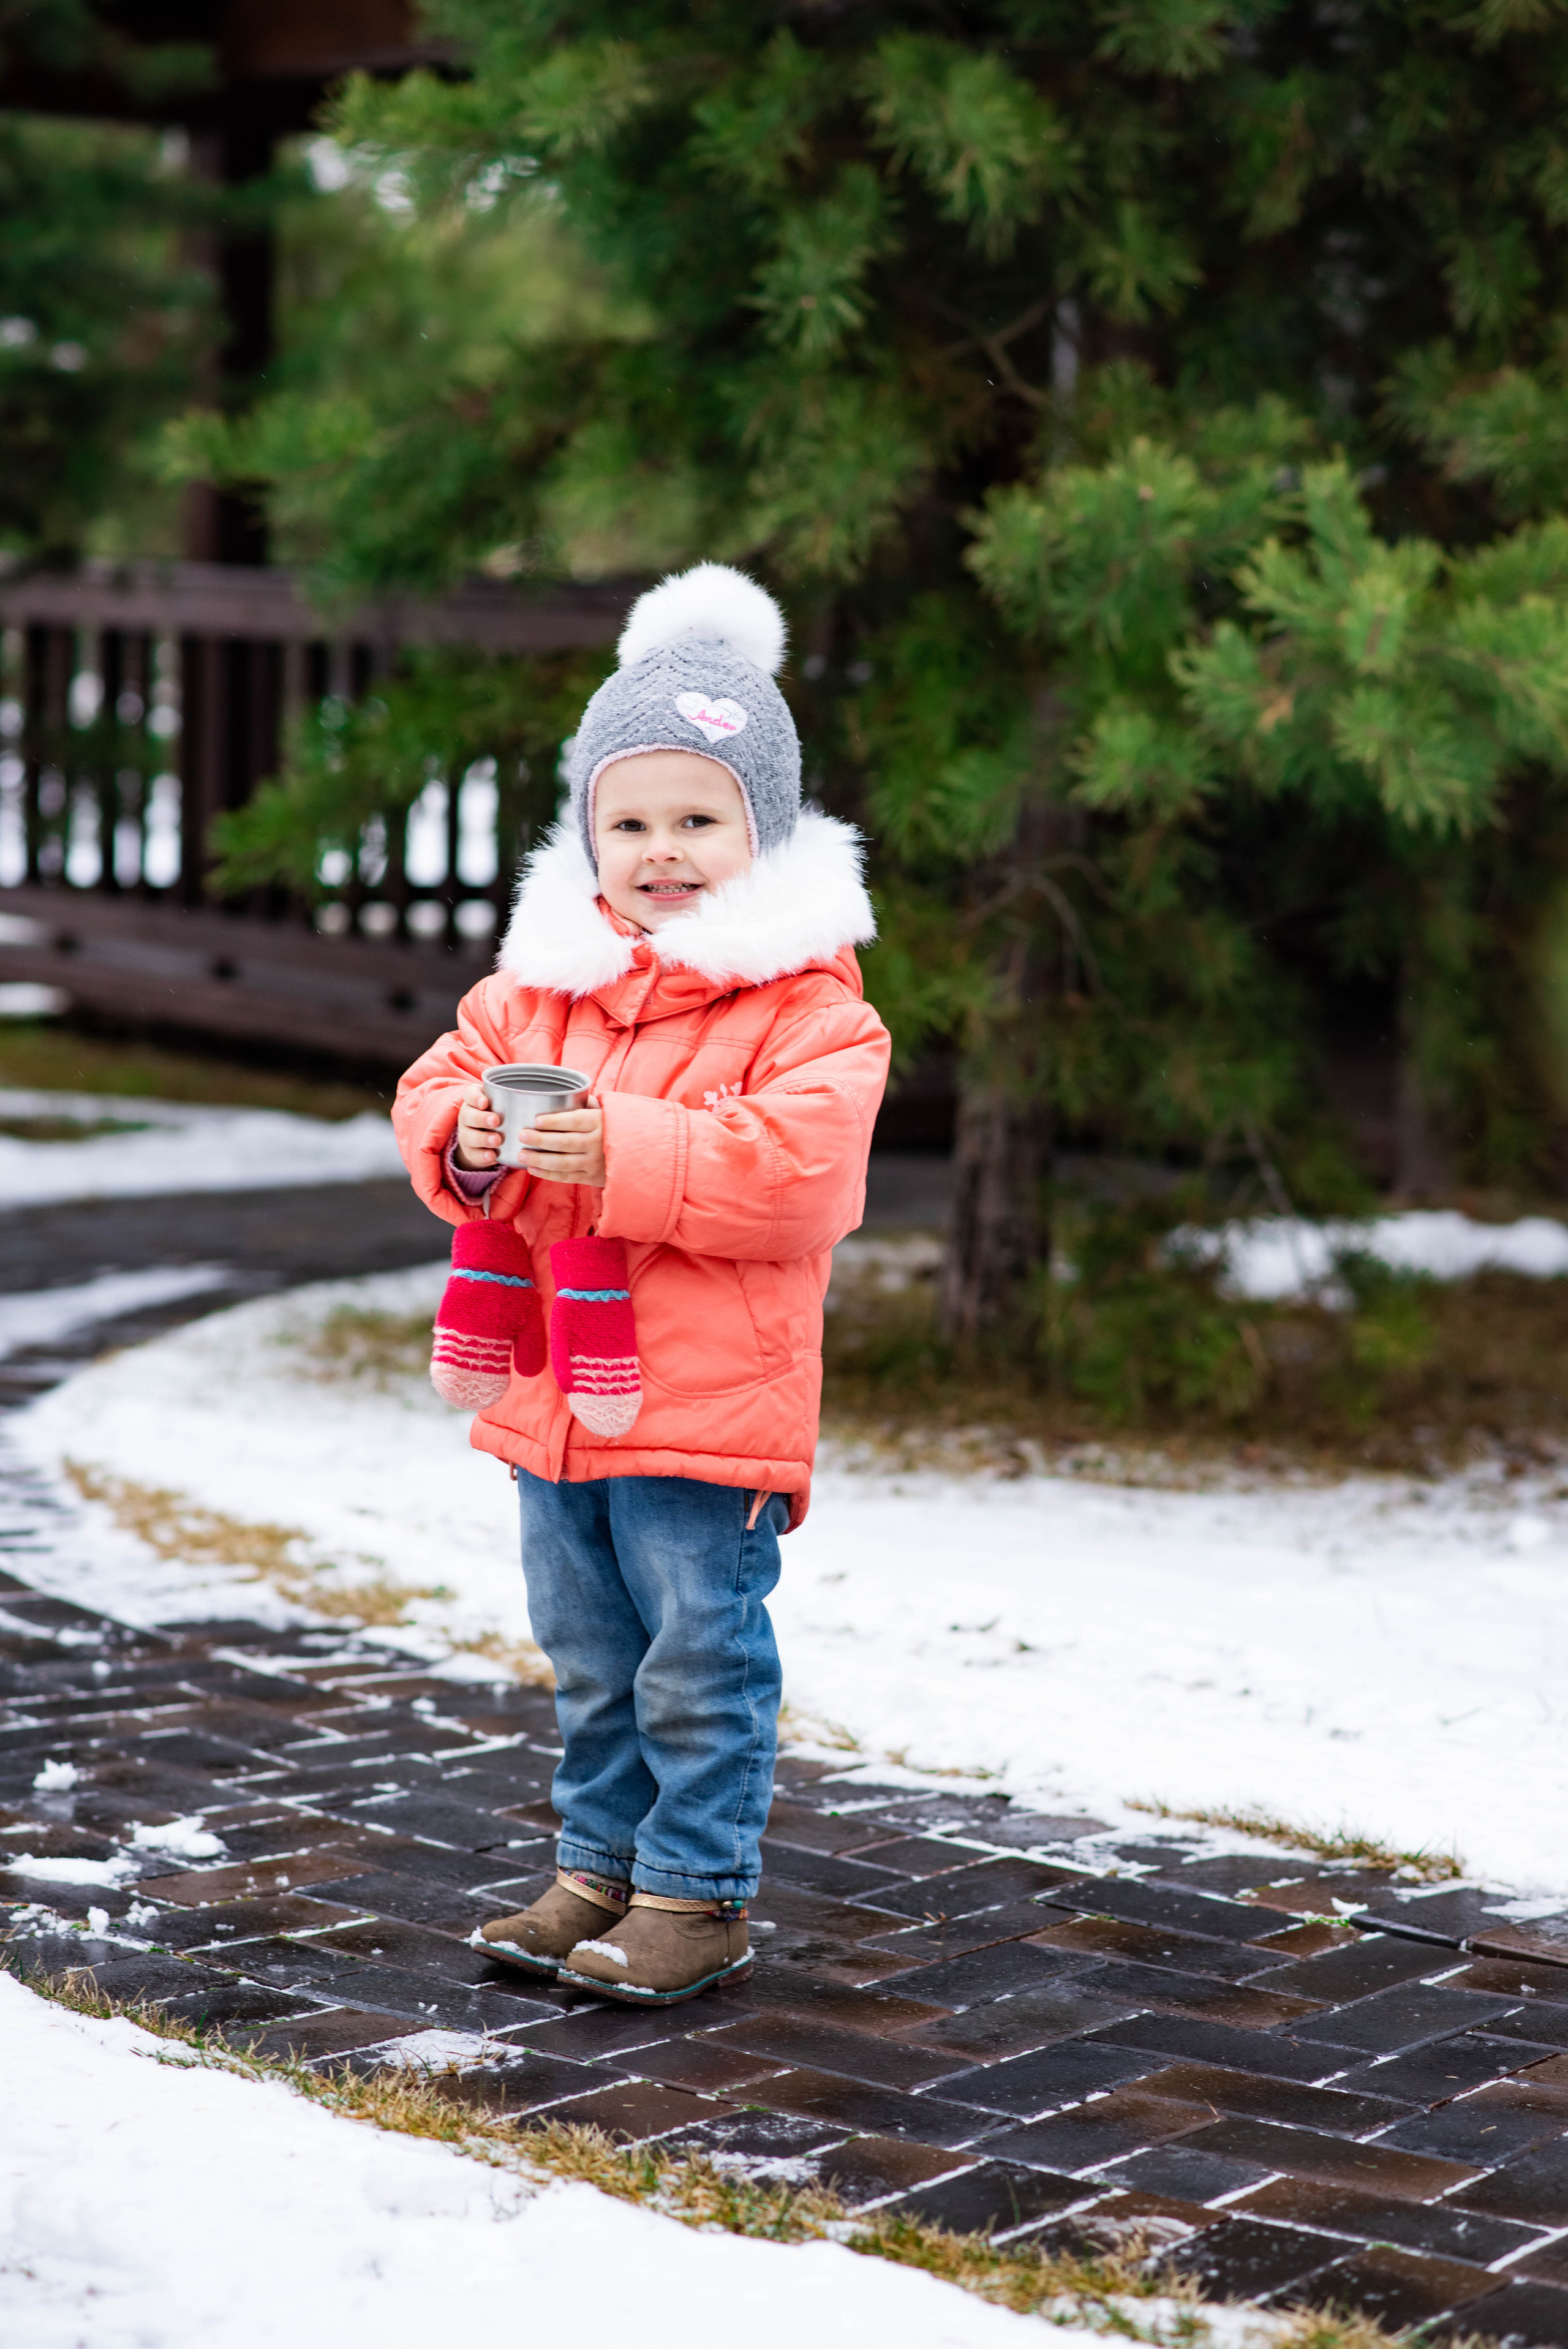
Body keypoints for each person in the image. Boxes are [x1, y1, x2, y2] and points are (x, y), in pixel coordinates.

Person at [393, 564, 891, 2005]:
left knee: (696, 1660)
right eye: (630, 821)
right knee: (592, 1655)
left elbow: (793, 1174)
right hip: (559, 1390)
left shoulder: (807, 1009)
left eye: (697, 820)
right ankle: (592, 1868)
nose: (660, 850)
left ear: (765, 827)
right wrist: (465, 1130)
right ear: (588, 831)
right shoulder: (537, 988)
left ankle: (695, 1891)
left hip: (705, 1403)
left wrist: (616, 1144)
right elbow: (440, 1075)